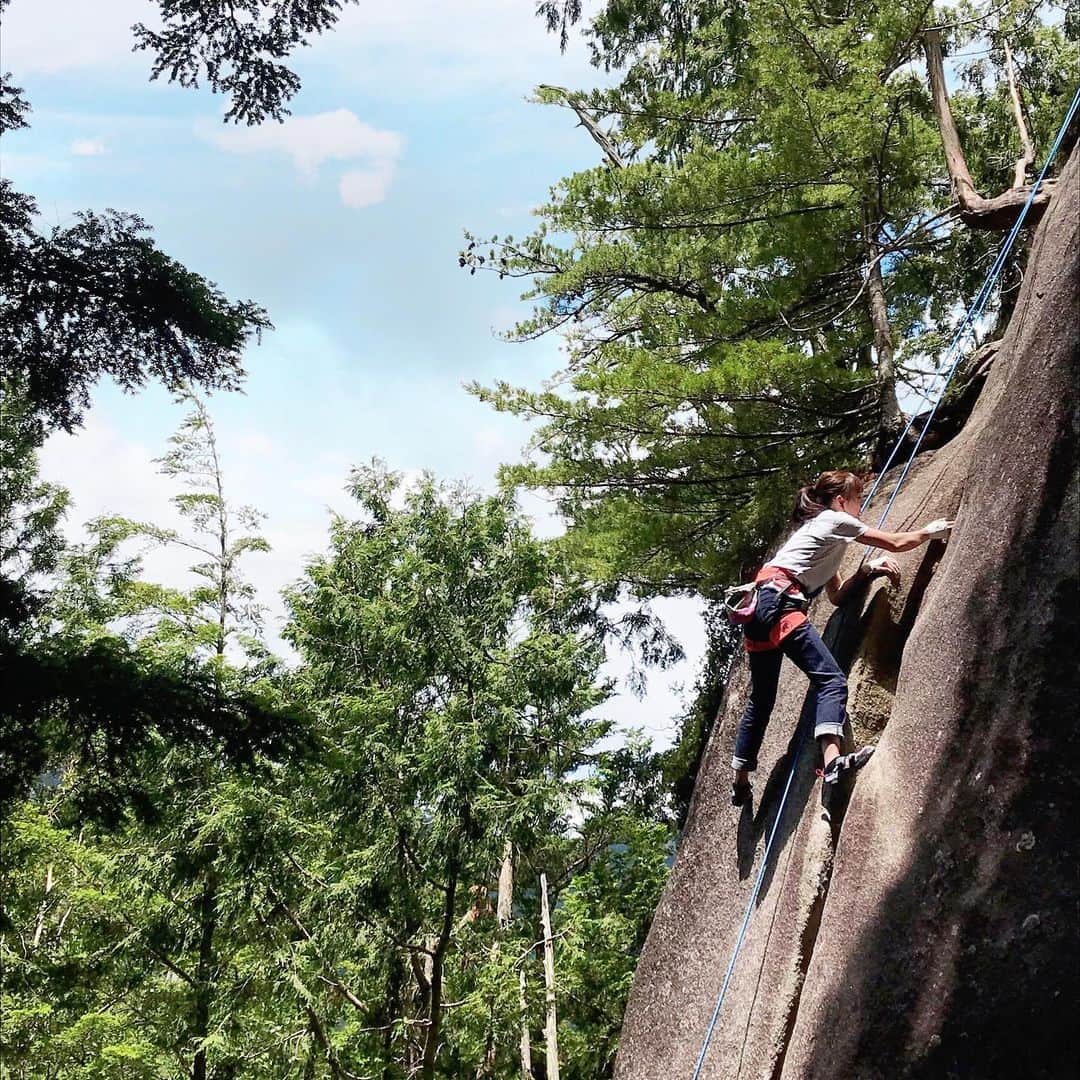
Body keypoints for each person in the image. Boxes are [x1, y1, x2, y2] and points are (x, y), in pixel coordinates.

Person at [731, 469, 952, 806]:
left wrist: (866, 570)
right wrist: (928, 532)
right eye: (857, 499)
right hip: (780, 604)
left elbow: (836, 595)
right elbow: (896, 542)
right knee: (831, 680)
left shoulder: (819, 536)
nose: (860, 505)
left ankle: (740, 781)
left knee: (761, 701)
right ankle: (832, 763)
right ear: (840, 501)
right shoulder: (835, 521)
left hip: (760, 607)